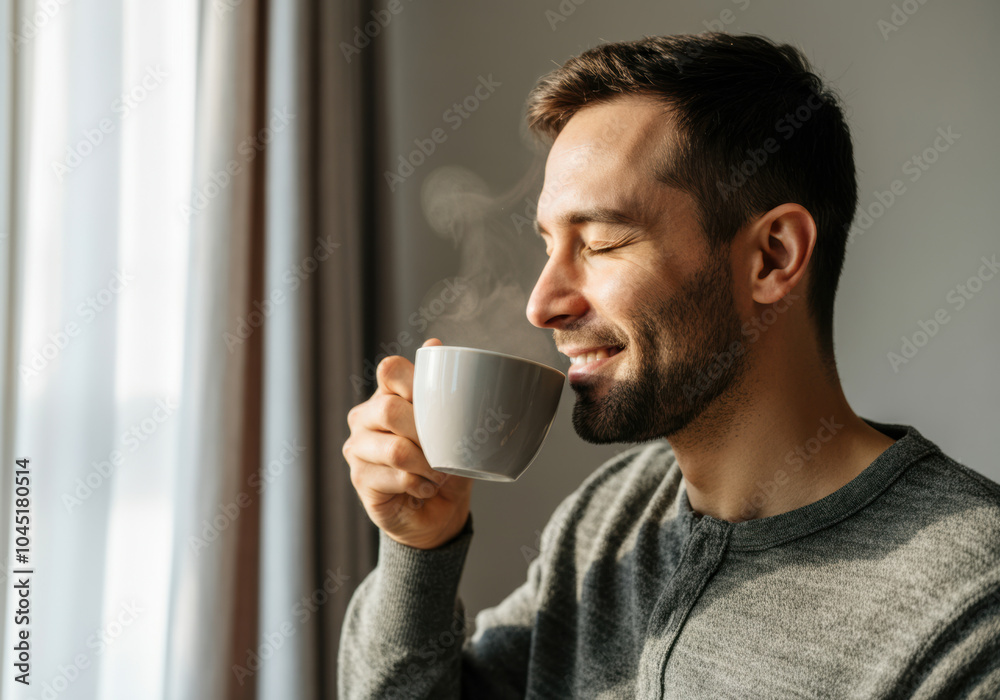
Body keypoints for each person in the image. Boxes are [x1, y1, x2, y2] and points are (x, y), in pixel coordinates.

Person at [338, 33, 1000, 698]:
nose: (543, 304)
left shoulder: (968, 609)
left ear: (772, 256)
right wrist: (421, 548)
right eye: (548, 245)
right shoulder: (612, 518)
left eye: (600, 242)